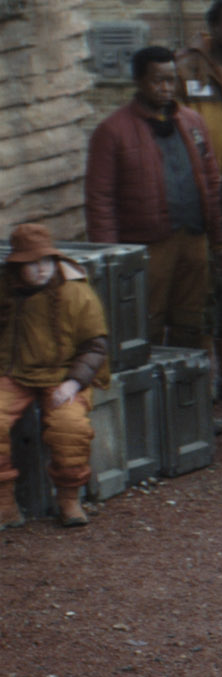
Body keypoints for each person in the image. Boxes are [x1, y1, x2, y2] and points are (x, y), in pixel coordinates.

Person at [84, 45, 222, 407]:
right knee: (144, 326)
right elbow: (100, 199)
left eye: (172, 80)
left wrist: (219, 241)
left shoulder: (193, 123)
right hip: (146, 248)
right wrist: (111, 257)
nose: (166, 88)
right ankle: (147, 408)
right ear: (139, 81)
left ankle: (192, 404)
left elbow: (213, 185)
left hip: (193, 241)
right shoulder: (113, 131)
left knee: (194, 324)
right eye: (158, 81)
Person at [0, 225, 109, 529]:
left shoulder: (76, 292)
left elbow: (95, 345)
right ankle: (5, 505)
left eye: (45, 261)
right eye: (31, 264)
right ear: (18, 267)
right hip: (13, 372)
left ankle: (69, 499)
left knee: (69, 427)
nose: (40, 269)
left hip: (64, 375)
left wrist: (72, 383)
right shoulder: (5, 292)